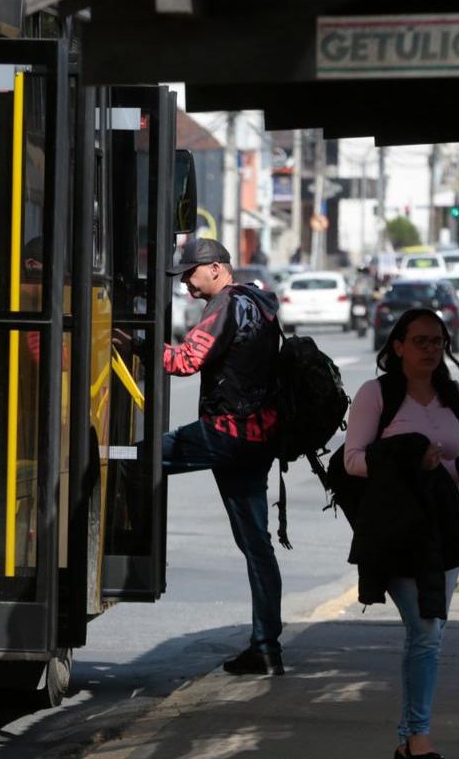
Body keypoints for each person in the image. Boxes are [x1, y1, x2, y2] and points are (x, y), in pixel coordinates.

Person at [343, 308, 459, 759]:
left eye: (438, 342)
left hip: (443, 531)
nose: (431, 350)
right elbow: (353, 460)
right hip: (394, 529)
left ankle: (408, 741)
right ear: (398, 346)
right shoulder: (376, 395)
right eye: (421, 341)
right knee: (427, 629)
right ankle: (419, 739)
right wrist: (409, 458)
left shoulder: (455, 395)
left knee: (427, 633)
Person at [153, 237, 286, 675]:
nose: (187, 286)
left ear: (214, 268)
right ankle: (266, 647)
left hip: (226, 434)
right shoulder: (260, 303)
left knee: (134, 460)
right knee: (256, 544)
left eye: (190, 275)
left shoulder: (226, 305)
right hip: (260, 437)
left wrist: (132, 344)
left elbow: (186, 360)